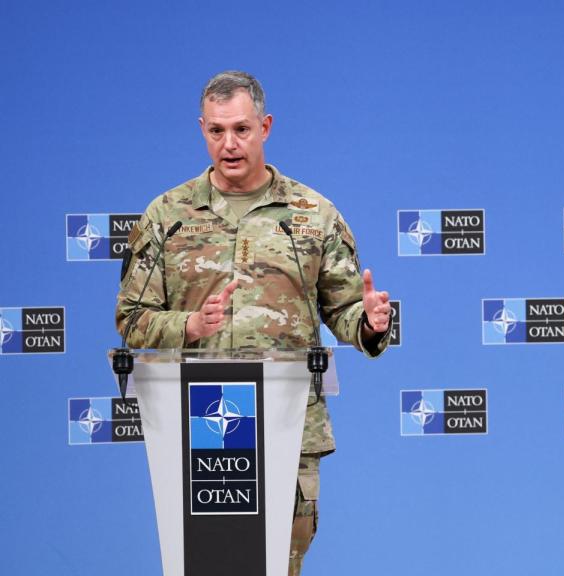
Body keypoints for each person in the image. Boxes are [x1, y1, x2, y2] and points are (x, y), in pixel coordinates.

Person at [115, 70, 393, 575]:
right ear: (202, 128)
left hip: (288, 425)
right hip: (203, 428)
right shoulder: (166, 216)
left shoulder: (313, 215)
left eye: (241, 129)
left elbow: (347, 312)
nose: (229, 144)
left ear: (265, 127)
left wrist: (370, 322)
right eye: (217, 131)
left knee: (279, 566)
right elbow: (132, 320)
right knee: (207, 565)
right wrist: (190, 326)